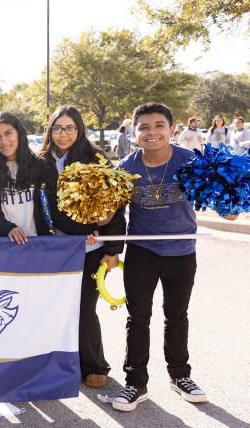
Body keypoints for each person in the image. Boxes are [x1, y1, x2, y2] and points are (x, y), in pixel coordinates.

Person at [111, 102, 236, 412]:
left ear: (172, 129)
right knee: (137, 318)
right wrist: (99, 234)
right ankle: (135, 383)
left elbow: (223, 208)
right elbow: (110, 214)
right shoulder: (126, 168)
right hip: (142, 251)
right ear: (135, 131)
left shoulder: (191, 161)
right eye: (144, 127)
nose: (151, 132)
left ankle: (180, 376)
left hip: (182, 251)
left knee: (176, 316)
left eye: (158, 125)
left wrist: (230, 202)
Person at [38, 106, 127, 389]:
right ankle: (57, 363)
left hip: (89, 247)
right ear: (49, 130)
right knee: (52, 308)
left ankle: (94, 364)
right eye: (57, 128)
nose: (63, 134)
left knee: (84, 308)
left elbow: (115, 205)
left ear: (79, 131)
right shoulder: (39, 161)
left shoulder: (96, 158)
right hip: (51, 249)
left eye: (69, 128)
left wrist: (112, 248)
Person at [0, 112, 60, 244]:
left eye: (8, 133)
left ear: (18, 133)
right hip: (4, 250)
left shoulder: (41, 166)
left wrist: (84, 229)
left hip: (39, 247)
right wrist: (8, 228)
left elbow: (57, 206)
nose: (4, 141)